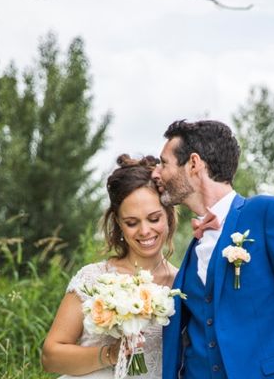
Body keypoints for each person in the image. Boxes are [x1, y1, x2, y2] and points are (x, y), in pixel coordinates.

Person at [153, 120, 274, 379]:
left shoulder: (268, 214)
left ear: (194, 164)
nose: (157, 173)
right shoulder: (195, 244)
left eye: (164, 163)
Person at [42, 154, 178, 379]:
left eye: (154, 219)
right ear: (118, 223)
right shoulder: (94, 279)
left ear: (169, 216)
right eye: (132, 223)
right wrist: (111, 354)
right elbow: (50, 356)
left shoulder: (183, 284)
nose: (145, 231)